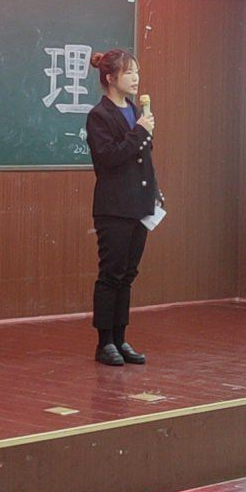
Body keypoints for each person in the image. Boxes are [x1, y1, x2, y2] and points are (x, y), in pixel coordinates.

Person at [85, 48, 163, 367]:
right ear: (110, 78)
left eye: (137, 72)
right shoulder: (99, 115)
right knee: (111, 274)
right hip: (114, 207)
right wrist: (140, 131)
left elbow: (143, 159)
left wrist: (155, 192)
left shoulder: (133, 110)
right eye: (129, 72)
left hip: (139, 204)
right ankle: (104, 342)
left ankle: (120, 338)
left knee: (128, 274)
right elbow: (109, 157)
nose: (135, 78)